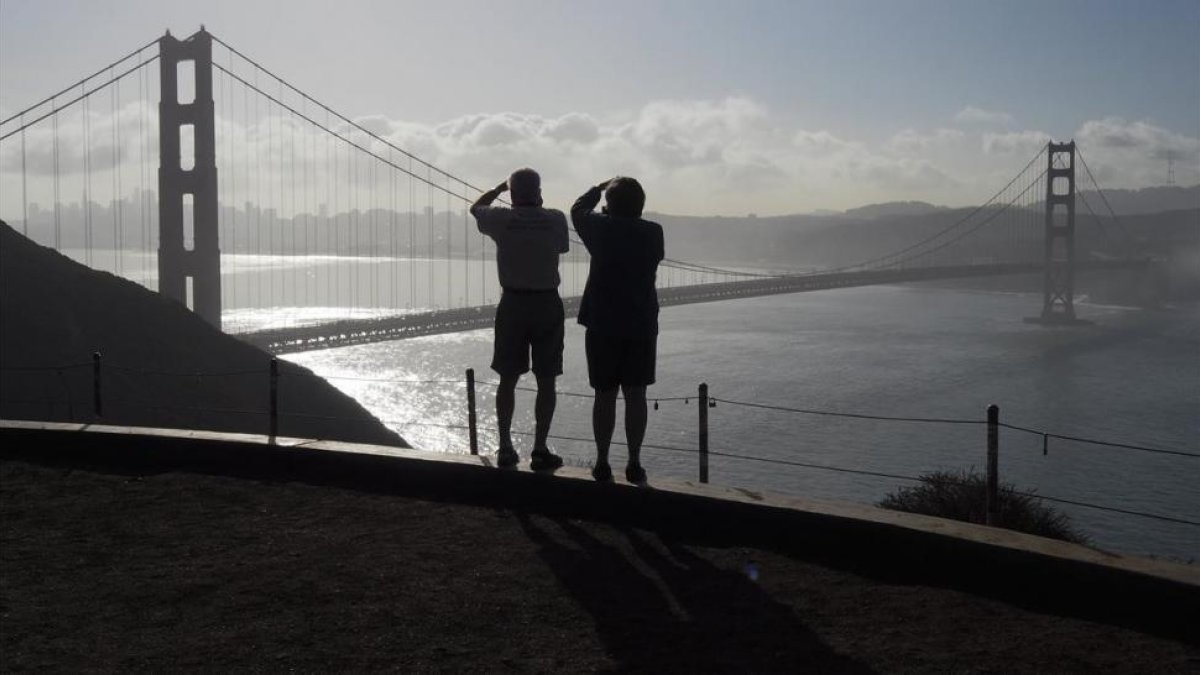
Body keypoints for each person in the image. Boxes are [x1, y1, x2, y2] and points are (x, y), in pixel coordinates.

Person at [471, 168, 569, 471]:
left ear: (512, 194)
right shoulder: (556, 219)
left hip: (513, 302)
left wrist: (499, 188)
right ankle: (540, 449)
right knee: (547, 379)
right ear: (539, 191)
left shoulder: (501, 219)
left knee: (508, 379)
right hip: (547, 302)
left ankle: (505, 446)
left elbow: (476, 207)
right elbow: (563, 247)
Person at [571, 177, 664, 484]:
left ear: (609, 206)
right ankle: (634, 462)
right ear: (641, 205)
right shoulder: (654, 233)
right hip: (640, 325)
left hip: (602, 324)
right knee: (636, 395)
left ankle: (602, 461)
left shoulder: (601, 228)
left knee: (604, 395)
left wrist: (597, 188)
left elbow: (578, 208)